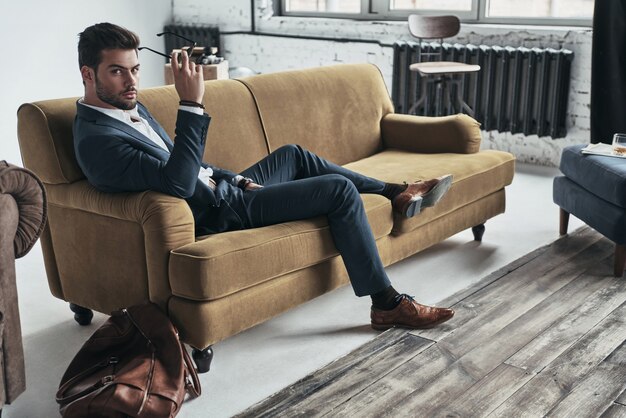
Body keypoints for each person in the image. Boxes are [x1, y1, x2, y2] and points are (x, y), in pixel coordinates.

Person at [74, 23, 455, 331]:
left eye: (135, 69)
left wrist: (237, 179)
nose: (131, 81)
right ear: (88, 74)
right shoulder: (97, 139)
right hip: (219, 213)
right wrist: (190, 103)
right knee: (338, 190)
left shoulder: (129, 107)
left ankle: (397, 192)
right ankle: (386, 304)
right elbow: (177, 182)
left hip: (227, 190)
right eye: (117, 71)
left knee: (293, 154)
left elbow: (189, 161)